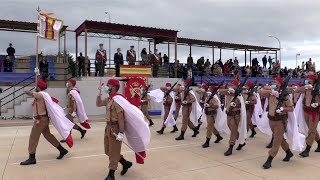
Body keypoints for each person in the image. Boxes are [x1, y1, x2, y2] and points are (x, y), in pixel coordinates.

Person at [97, 79, 149, 180]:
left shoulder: (118, 100)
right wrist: (99, 94)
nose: (106, 87)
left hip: (115, 128)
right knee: (107, 150)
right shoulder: (109, 99)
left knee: (113, 152)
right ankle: (125, 163)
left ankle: (111, 174)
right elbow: (98, 104)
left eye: (108, 85)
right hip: (108, 127)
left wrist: (121, 132)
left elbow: (121, 117)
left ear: (113, 87)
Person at [20, 80, 72, 165]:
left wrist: (26, 90)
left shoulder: (41, 94)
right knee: (48, 136)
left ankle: (32, 158)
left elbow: (29, 93)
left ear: (39, 87)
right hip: (43, 119)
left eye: (37, 86)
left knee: (33, 137)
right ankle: (62, 150)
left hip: (40, 120)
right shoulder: (44, 94)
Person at [259, 77, 294, 169]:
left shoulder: (285, 95)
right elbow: (261, 91)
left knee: (276, 141)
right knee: (280, 139)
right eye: (273, 81)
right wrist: (272, 91)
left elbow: (291, 108)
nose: (273, 83)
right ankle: (288, 152)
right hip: (271, 120)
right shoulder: (270, 94)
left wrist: (283, 109)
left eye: (276, 82)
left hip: (280, 121)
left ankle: (269, 160)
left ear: (280, 84)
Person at [295, 75, 320, 157]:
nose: (308, 80)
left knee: (311, 130)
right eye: (307, 79)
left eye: (310, 79)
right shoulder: (306, 88)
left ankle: (307, 149)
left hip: (314, 112)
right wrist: (305, 86)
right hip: (306, 111)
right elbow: (297, 90)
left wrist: (318, 103)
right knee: (311, 129)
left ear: (313, 80)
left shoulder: (317, 88)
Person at [221, 80, 247, 156]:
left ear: (236, 86)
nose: (230, 86)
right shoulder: (229, 93)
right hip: (228, 114)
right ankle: (241, 141)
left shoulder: (239, 95)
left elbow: (241, 104)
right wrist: (229, 90)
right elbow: (221, 91)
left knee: (233, 130)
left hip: (235, 115)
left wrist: (236, 102)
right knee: (232, 129)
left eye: (232, 85)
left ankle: (230, 147)